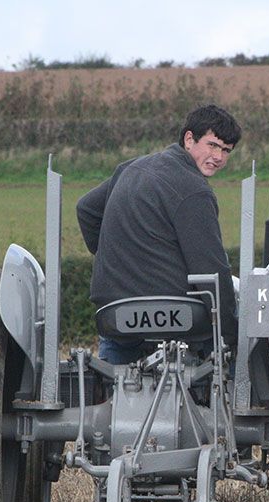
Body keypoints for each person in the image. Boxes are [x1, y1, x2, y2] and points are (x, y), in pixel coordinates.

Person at [77, 105, 241, 364]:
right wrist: (233, 335)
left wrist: (119, 259)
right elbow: (211, 269)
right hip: (176, 314)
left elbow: (86, 209)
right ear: (189, 139)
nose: (219, 157)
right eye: (212, 145)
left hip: (114, 310)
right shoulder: (195, 191)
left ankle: (108, 391)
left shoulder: (132, 168)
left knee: (109, 383)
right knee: (234, 351)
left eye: (226, 150)